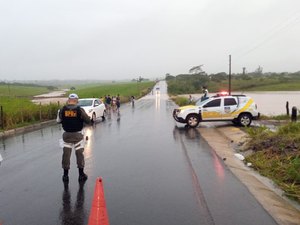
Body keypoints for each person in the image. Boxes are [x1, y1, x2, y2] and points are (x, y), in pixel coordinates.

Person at [57, 93, 91, 182]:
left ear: (68, 100)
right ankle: (81, 175)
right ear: (76, 100)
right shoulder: (80, 110)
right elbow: (88, 121)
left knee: (66, 155)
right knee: (79, 154)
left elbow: (58, 121)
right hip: (78, 136)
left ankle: (65, 176)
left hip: (66, 136)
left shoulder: (62, 110)